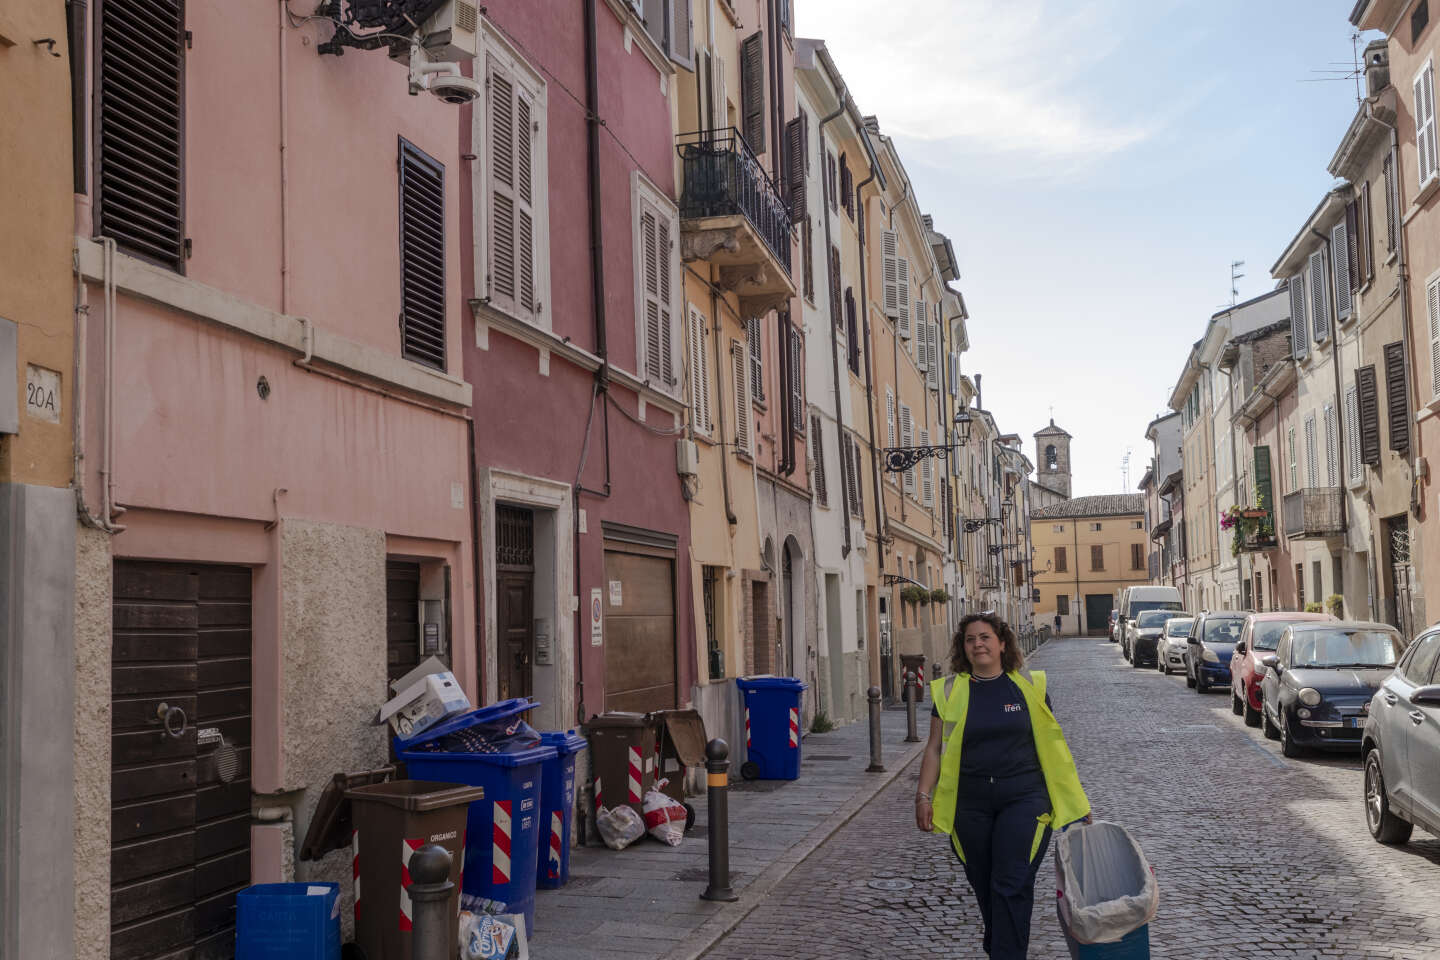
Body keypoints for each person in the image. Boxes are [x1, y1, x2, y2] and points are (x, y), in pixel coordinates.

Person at [914, 612, 1090, 959]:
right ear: (962, 648)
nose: (977, 644)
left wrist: (1077, 803)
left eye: (985, 637)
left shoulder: (1028, 686)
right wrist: (922, 795)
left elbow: (1055, 749)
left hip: (1025, 798)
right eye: (970, 639)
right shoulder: (949, 691)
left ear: (1002, 643)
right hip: (970, 803)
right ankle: (1000, 949)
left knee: (1011, 884)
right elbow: (934, 748)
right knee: (986, 887)